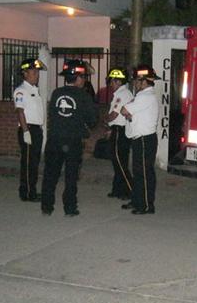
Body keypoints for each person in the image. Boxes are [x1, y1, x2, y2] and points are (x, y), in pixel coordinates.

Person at [41, 59, 97, 217]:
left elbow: (52, 115)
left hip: (54, 139)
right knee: (71, 176)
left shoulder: (56, 93)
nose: (84, 80)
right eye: (83, 77)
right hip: (72, 142)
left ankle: (47, 206)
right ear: (78, 78)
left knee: (50, 174)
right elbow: (93, 119)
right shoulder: (83, 96)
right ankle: (70, 208)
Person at [120, 65, 160, 215]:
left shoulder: (146, 97)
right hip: (141, 139)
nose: (134, 84)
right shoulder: (142, 97)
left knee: (143, 173)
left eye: (137, 81)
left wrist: (128, 112)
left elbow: (124, 110)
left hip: (145, 140)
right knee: (139, 172)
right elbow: (128, 113)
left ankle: (146, 205)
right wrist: (129, 113)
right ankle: (137, 200)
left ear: (143, 82)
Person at [14, 58, 47, 202]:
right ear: (25, 73)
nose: (37, 75)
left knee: (34, 162)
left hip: (36, 130)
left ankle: (31, 190)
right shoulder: (21, 91)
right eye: (34, 72)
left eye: (37, 72)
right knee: (28, 163)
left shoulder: (34, 90)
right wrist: (26, 131)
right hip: (28, 130)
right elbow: (20, 112)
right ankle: (27, 192)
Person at [105, 67, 133, 200]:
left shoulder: (121, 95)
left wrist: (104, 121)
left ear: (118, 82)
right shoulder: (126, 93)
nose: (110, 84)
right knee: (120, 162)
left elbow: (114, 114)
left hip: (119, 131)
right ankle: (117, 189)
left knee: (120, 163)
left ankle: (130, 190)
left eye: (112, 81)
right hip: (123, 131)